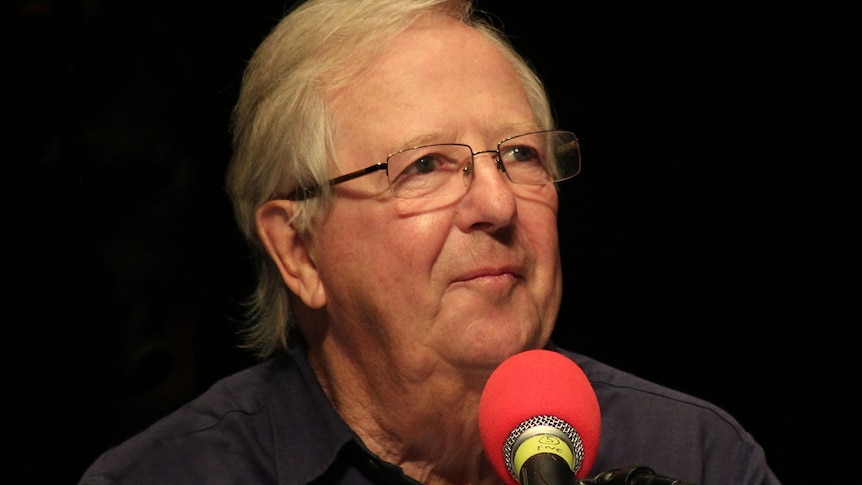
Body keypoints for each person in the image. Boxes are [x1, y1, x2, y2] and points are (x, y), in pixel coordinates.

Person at [79, 0, 781, 484]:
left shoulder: (695, 454)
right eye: (425, 166)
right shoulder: (169, 475)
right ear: (298, 250)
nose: (498, 202)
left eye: (521, 156)